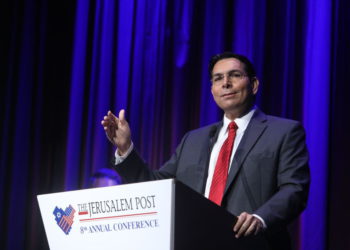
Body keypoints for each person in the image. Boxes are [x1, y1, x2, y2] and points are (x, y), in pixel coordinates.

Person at [101, 52, 310, 250]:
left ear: (254, 85)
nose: (225, 83)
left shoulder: (283, 132)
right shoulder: (193, 140)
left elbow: (294, 189)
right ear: (212, 90)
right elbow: (156, 189)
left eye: (234, 75)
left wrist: (261, 218)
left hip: (252, 243)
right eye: (218, 79)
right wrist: (125, 148)